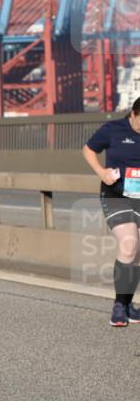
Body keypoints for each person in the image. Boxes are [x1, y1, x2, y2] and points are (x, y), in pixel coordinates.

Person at [83, 96, 140, 326]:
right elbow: (88, 150)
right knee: (128, 244)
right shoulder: (113, 129)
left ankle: (128, 305)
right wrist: (102, 172)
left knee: (137, 253)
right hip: (116, 196)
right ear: (133, 114)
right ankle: (118, 306)